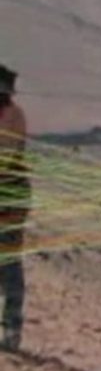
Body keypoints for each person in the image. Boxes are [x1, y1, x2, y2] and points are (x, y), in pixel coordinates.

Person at [0, 63, 28, 352]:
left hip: (11, 197)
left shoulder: (14, 117)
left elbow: (6, 157)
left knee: (8, 263)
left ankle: (12, 329)